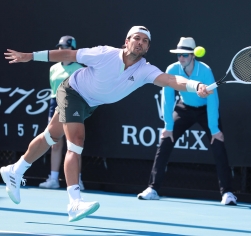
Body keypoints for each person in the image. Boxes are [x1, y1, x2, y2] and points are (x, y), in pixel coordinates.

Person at [1, 26, 212, 222]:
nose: (140, 42)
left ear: (147, 47)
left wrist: (196, 85)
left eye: (145, 41)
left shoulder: (145, 70)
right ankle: (74, 202)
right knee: (76, 141)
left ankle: (15, 170)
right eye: (136, 38)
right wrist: (29, 56)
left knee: (50, 136)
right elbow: (68, 55)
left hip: (90, 103)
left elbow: (170, 80)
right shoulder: (104, 53)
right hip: (72, 91)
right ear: (126, 41)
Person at [137, 37, 237, 205]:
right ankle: (153, 189)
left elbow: (213, 100)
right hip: (184, 108)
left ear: (192, 55)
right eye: (179, 55)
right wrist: (168, 126)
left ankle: (227, 193)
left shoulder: (205, 71)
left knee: (218, 144)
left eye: (184, 55)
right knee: (165, 141)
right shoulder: (172, 69)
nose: (181, 58)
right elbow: (167, 97)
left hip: (205, 109)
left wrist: (214, 128)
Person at [39, 36, 85, 190]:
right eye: (59, 47)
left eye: (64, 47)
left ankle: (77, 181)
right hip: (55, 104)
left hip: (73, 105)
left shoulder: (80, 68)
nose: (61, 50)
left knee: (74, 144)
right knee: (55, 143)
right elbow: (54, 89)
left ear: (72, 49)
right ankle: (53, 178)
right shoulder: (53, 68)